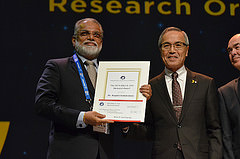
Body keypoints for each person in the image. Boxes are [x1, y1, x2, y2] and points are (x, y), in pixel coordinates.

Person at [35, 17, 152, 159]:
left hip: (103, 153)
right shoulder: (57, 67)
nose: (91, 38)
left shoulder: (111, 73)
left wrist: (139, 98)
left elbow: (119, 112)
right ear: (74, 40)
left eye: (96, 35)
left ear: (101, 41)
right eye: (85, 33)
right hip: (68, 153)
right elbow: (43, 105)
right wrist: (82, 117)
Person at [126, 27, 222, 159]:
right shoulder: (150, 87)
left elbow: (214, 129)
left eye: (178, 45)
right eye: (166, 45)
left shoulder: (205, 83)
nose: (172, 51)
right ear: (161, 51)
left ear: (186, 50)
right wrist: (126, 125)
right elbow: (150, 131)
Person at [218, 34, 240, 159]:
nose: (233, 53)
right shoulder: (226, 92)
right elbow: (226, 137)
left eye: (237, 47)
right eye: (229, 50)